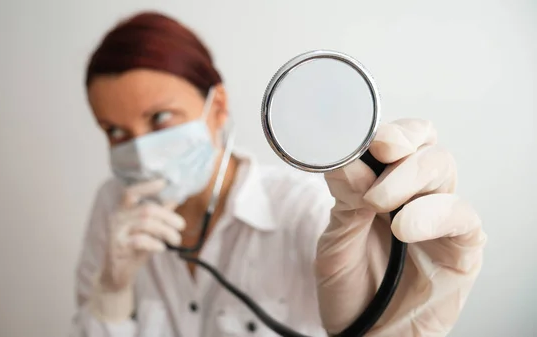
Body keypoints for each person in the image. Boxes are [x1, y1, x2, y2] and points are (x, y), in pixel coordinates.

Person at [70, 11, 486, 337]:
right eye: (115, 131)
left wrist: (385, 312)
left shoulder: (307, 210)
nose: (139, 148)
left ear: (216, 109)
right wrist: (110, 294)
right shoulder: (113, 208)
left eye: (160, 118)